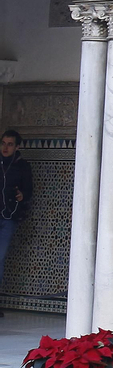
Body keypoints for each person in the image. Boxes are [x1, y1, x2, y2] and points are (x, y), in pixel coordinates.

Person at [0, 129, 34, 316]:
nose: (6, 147)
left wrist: (21, 195)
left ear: (17, 146)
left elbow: (28, 190)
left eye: (10, 144)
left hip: (9, 217)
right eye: (3, 143)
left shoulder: (22, 167)